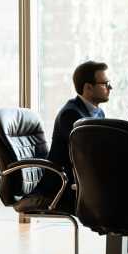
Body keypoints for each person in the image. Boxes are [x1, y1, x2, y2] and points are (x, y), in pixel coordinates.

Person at [32, 61, 110, 214]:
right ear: (88, 87)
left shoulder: (98, 113)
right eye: (105, 83)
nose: (110, 87)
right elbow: (88, 153)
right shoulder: (71, 114)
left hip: (80, 179)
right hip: (62, 185)